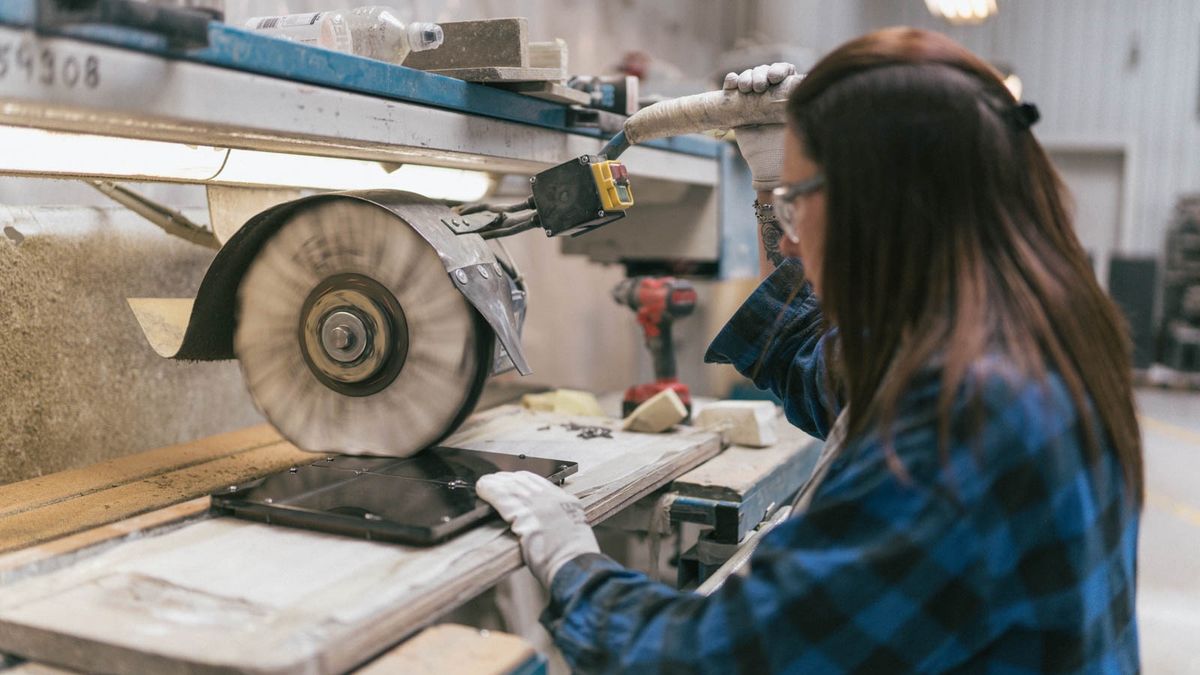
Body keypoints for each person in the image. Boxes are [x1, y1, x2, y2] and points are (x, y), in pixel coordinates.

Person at [477, 27, 1142, 674]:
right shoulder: (1022, 329)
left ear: (884, 204)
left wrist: (570, 560)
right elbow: (820, 362)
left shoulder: (967, 420)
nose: (785, 240)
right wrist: (770, 181)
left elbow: (708, 658)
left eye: (796, 205)